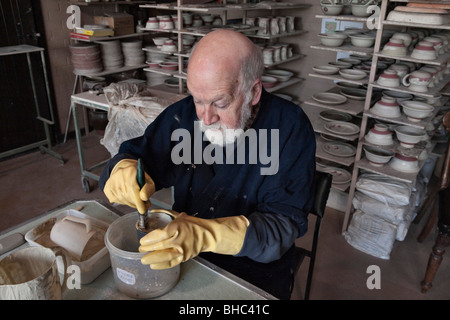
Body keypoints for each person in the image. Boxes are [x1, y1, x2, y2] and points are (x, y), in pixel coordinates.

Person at [99, 29, 316, 300]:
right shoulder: (183, 116)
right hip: (183, 258)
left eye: (220, 102)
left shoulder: (289, 129)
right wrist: (123, 169)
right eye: (198, 99)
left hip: (254, 273)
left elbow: (281, 228)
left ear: (254, 91)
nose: (206, 117)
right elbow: (138, 156)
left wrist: (206, 235)